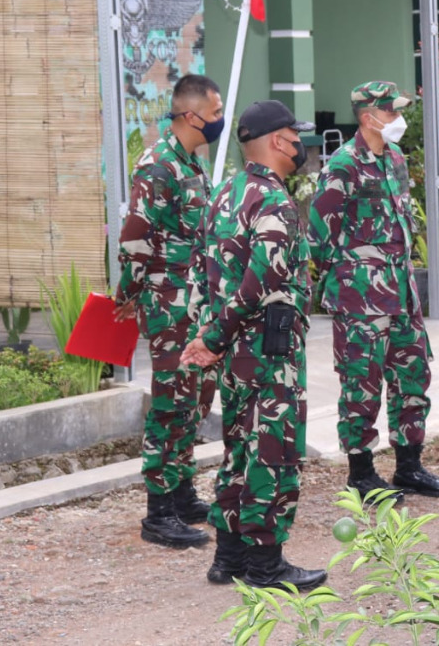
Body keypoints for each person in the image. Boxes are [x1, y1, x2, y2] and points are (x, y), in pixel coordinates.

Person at [181, 100, 326, 591]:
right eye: (293, 135)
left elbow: (203, 276)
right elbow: (261, 276)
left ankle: (228, 557)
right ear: (276, 141)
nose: (299, 144)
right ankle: (267, 565)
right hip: (268, 351)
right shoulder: (273, 200)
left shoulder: (224, 194)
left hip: (236, 355)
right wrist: (214, 337)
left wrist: (208, 336)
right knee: (273, 452)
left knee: (239, 449)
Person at [308, 81, 439, 500]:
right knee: (362, 384)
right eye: (391, 112)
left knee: (412, 377)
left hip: (403, 294)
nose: (398, 119)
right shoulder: (342, 164)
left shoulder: (395, 160)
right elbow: (320, 234)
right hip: (361, 302)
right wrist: (353, 274)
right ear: (369, 117)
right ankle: (361, 473)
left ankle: (409, 466)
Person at [115, 73, 223, 550]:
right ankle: (158, 512)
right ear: (190, 114)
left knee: (194, 398)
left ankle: (180, 492)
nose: (220, 121)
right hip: (168, 304)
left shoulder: (191, 164)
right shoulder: (158, 165)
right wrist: (126, 296)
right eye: (216, 113)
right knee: (170, 402)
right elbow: (136, 237)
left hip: (194, 301)